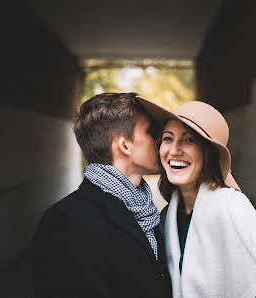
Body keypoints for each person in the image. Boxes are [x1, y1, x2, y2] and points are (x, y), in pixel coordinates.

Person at [31, 93, 172, 297]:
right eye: (151, 133)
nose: (161, 142)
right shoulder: (65, 223)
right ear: (124, 145)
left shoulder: (144, 212)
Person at [157, 101, 256, 297]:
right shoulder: (167, 216)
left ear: (209, 153)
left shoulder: (233, 206)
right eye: (167, 138)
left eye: (189, 140)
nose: (174, 150)